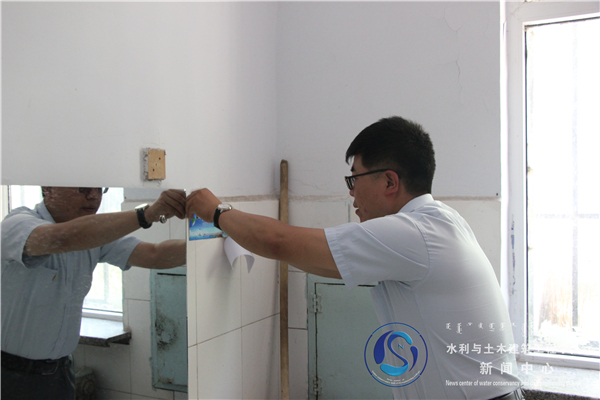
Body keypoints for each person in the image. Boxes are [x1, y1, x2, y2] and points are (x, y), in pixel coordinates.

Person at [186, 116, 524, 399]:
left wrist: (217, 211)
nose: (351, 192)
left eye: (354, 178)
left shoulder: (413, 234)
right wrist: (249, 236)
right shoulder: (438, 223)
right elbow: (317, 260)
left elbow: (278, 241)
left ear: (389, 182)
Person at [1, 187, 187, 400]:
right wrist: (147, 214)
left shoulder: (93, 236)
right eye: (83, 189)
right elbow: (63, 238)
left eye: (99, 190)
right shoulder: (17, 225)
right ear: (48, 189)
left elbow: (155, 255)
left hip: (60, 375)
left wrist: (209, 238)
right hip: (10, 375)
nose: (93, 196)